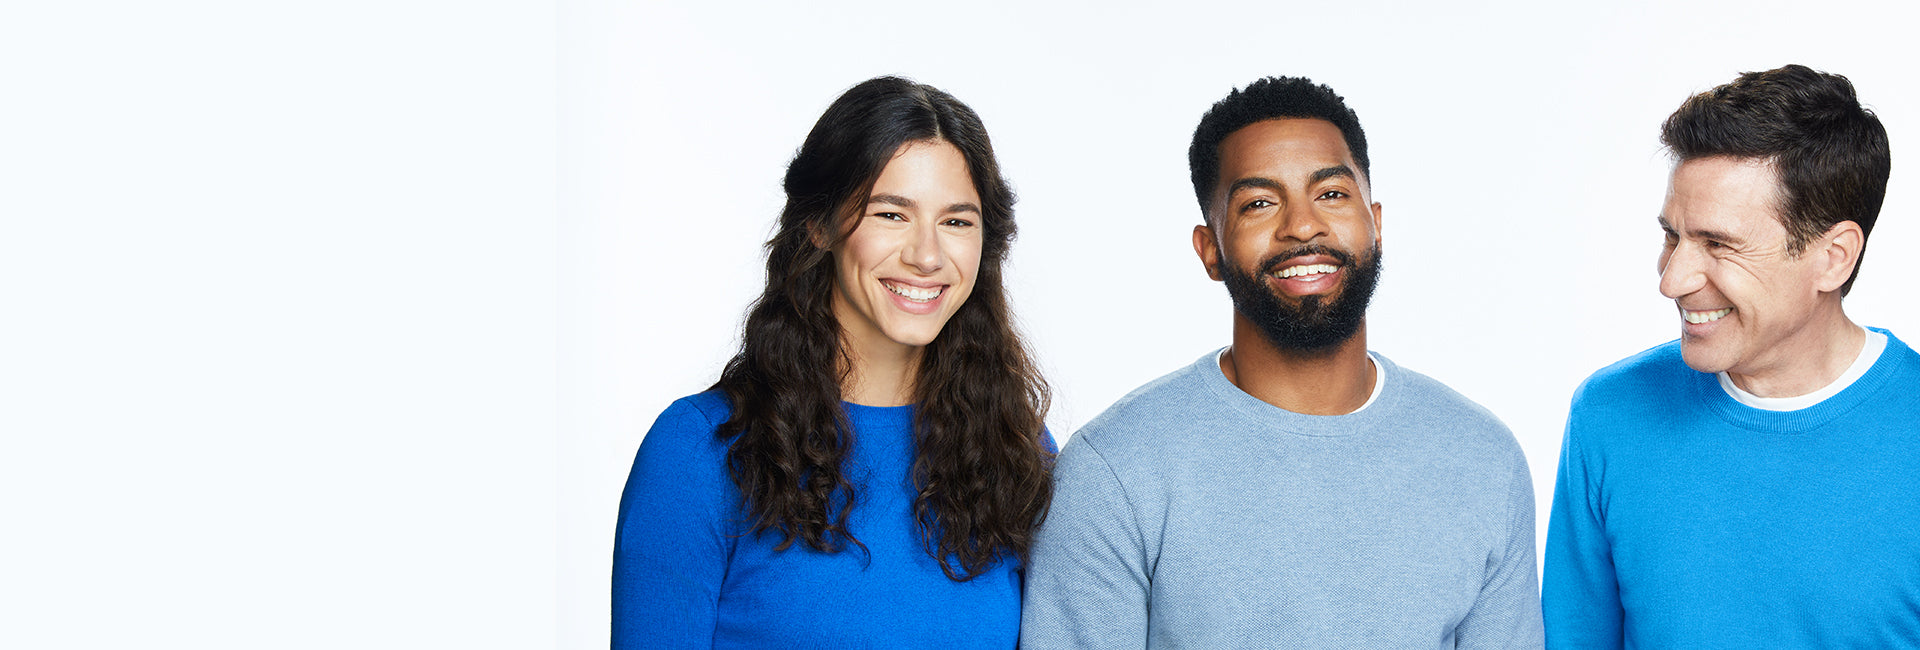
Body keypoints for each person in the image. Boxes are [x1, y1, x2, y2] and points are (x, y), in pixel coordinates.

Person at [1020, 76, 1543, 649]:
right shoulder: (1112, 471)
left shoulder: (1483, 459)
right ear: (1210, 250)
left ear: (1377, 223)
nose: (1302, 225)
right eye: (1259, 203)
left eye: (1332, 195)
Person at [611, 77, 1054, 648]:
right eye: (891, 214)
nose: (926, 255)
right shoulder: (700, 451)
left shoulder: (1017, 450)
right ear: (819, 225)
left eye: (957, 221)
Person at [1543, 64, 1917, 647]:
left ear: (1834, 257)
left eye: (1718, 244)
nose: (1673, 280)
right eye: (1672, 236)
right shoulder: (1610, 414)